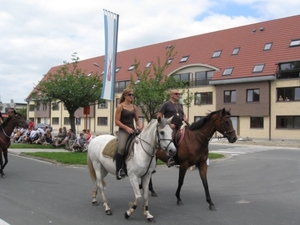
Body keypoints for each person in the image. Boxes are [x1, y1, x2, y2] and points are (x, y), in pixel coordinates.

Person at [114, 87, 143, 180]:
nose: (131, 96)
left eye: (132, 95)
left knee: (144, 145)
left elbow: (137, 119)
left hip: (133, 130)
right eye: (129, 95)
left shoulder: (134, 107)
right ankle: (118, 170)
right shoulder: (120, 106)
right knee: (122, 148)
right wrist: (126, 128)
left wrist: (140, 125)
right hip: (123, 130)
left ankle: (146, 167)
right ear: (125, 96)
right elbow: (117, 121)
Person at [157, 89, 188, 167]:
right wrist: (168, 124)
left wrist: (185, 118)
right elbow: (159, 115)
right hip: (170, 128)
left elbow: (182, 114)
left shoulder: (180, 105)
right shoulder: (166, 104)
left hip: (180, 127)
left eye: (179, 94)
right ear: (171, 95)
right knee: (172, 139)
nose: (178, 95)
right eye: (176, 94)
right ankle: (169, 158)